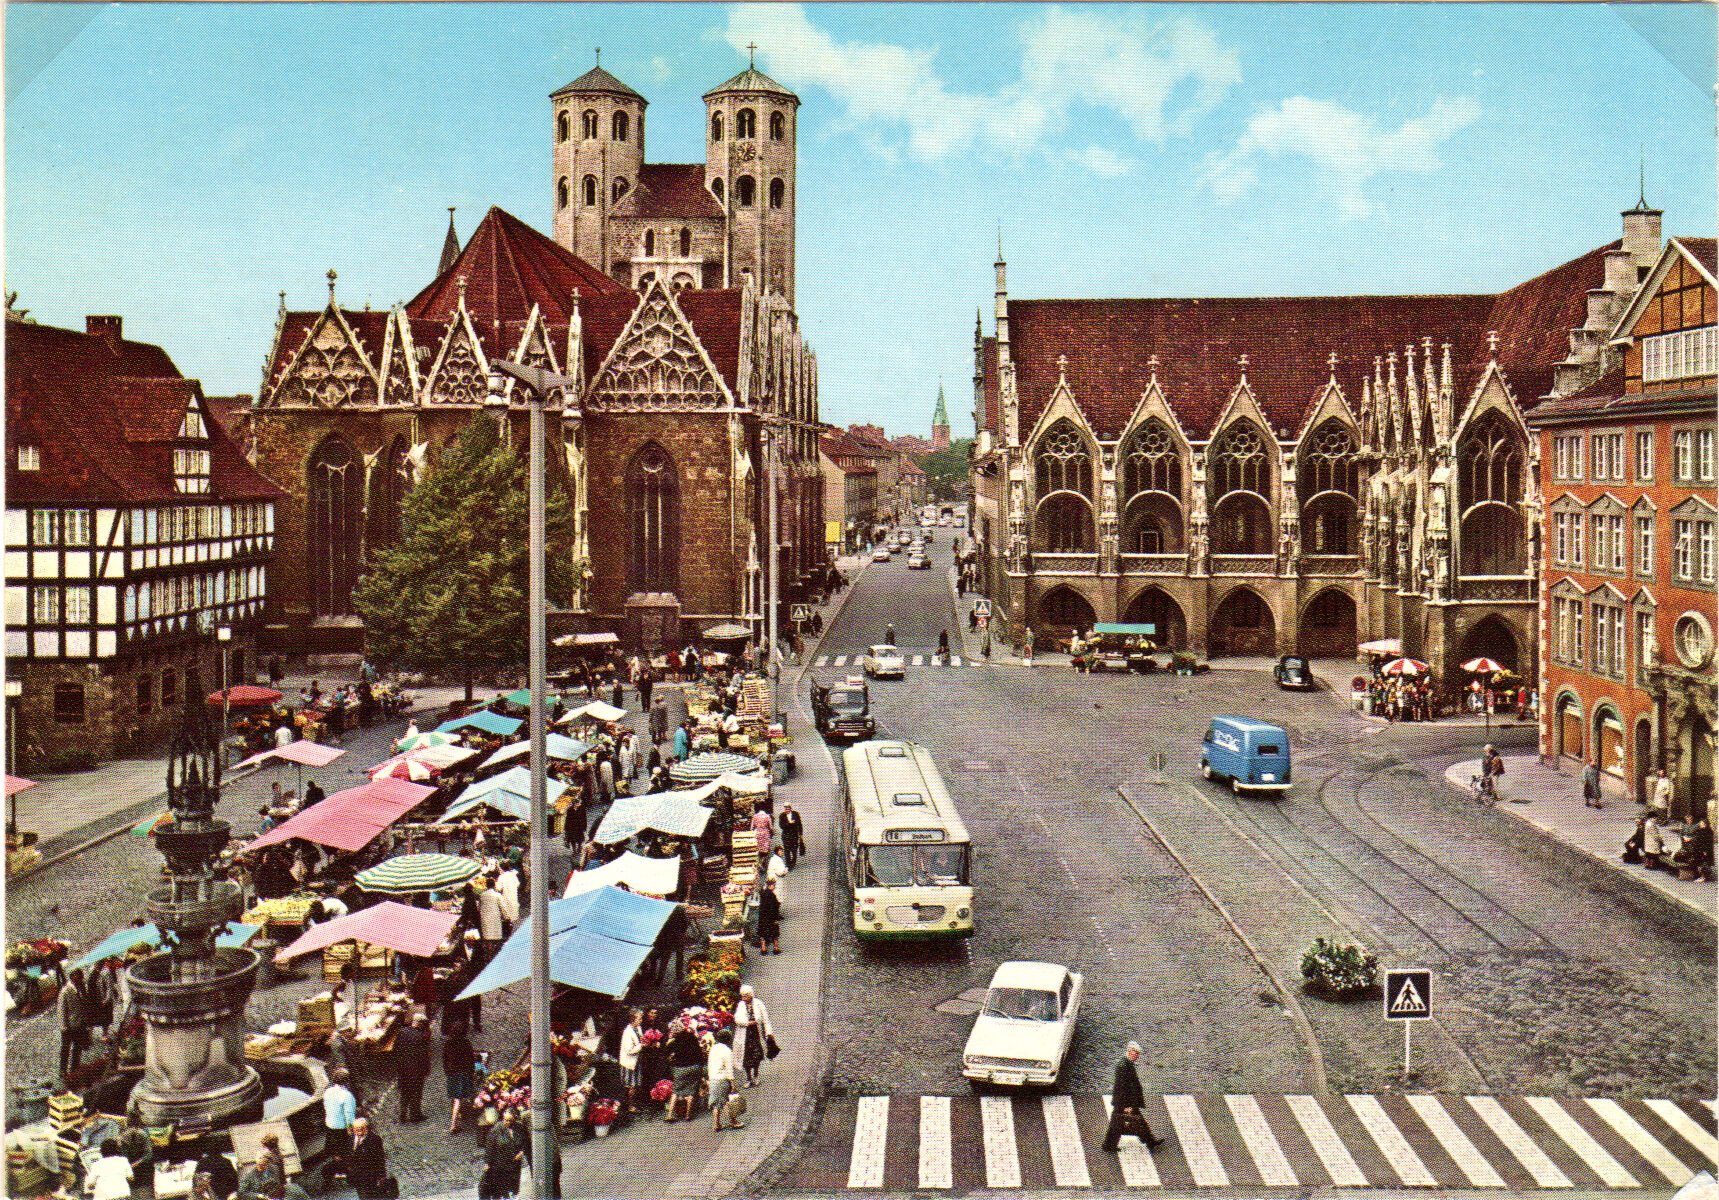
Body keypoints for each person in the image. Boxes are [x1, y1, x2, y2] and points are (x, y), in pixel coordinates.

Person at [1100, 1041, 1162, 1152]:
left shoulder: (1127, 1064)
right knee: (1121, 1122)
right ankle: (1149, 1141)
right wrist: (1125, 1106)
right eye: (1135, 1052)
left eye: (1138, 1053)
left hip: (1126, 1101)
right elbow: (1121, 1087)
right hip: (1125, 1101)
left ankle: (1149, 1141)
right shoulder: (1123, 1066)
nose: (1137, 1055)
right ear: (1129, 1051)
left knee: (1121, 1121)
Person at [393, 1012, 433, 1123]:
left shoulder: (402, 1032)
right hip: (416, 1071)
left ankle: (402, 1115)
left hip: (402, 1069)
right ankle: (415, 1115)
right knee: (416, 1093)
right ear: (420, 1024)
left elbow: (395, 1049)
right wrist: (426, 1070)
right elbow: (424, 1056)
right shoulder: (421, 1037)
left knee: (404, 1092)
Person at [478, 1107, 525, 1200]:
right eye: (504, 1119)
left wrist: (522, 1152)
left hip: (514, 1165)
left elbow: (525, 1142)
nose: (506, 1122)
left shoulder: (519, 1128)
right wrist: (487, 1163)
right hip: (500, 1165)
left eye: (509, 1120)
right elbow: (489, 1148)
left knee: (513, 1189)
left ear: (514, 1120)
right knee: (500, 1191)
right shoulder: (496, 1129)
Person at [733, 984, 774, 1086]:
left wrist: (769, 1033)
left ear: (750, 995)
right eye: (742, 996)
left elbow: (765, 1019)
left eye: (746, 996)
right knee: (746, 1057)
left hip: (756, 1033)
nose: (744, 998)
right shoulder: (741, 1005)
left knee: (756, 1056)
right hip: (745, 1035)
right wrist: (748, 1023)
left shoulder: (759, 1004)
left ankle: (756, 1075)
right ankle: (748, 1078)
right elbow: (737, 1019)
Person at [443, 1020, 478, 1134]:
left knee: (454, 1096)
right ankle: (453, 1124)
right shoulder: (465, 1043)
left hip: (452, 1073)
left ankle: (458, 1113)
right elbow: (470, 1060)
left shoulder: (448, 1044)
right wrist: (471, 1072)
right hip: (462, 1073)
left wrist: (447, 1071)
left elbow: (445, 1059)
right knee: (459, 1098)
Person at [666, 1018, 704, 1122]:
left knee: (676, 1091)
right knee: (691, 1091)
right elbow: (699, 1052)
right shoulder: (692, 1037)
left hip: (680, 1068)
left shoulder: (674, 1042)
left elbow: (667, 1053)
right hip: (694, 1067)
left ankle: (669, 1115)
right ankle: (687, 1115)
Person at [342, 1116, 390, 1200]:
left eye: (361, 1128)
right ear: (353, 1129)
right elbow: (347, 1155)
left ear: (366, 1128)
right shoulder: (350, 1139)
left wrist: (382, 1175)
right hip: (356, 1176)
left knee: (367, 1196)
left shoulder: (374, 1139)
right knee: (361, 1195)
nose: (359, 1131)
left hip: (369, 1176)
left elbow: (379, 1159)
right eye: (356, 1129)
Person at [58, 967, 90, 1080]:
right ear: (72, 978)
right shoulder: (65, 991)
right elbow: (62, 1010)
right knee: (65, 1048)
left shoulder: (81, 988)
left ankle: (74, 1068)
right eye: (78, 978)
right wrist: (63, 1026)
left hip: (80, 1024)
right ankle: (63, 1070)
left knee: (77, 1047)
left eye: (81, 978)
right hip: (69, 1026)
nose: (81, 980)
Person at [708, 1029, 743, 1130]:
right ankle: (733, 1121)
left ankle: (717, 1124)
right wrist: (732, 1083)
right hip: (722, 1079)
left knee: (716, 1104)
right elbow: (729, 1069)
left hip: (713, 1078)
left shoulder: (713, 1048)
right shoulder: (727, 1051)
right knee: (729, 1102)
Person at [322, 1066, 357, 1162]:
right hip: (341, 1127)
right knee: (343, 1150)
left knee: (334, 1147)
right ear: (347, 1081)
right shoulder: (347, 1095)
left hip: (330, 1123)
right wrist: (350, 1128)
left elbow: (326, 1106)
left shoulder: (328, 1091)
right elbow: (349, 1115)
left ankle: (335, 1159)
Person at [619, 1008, 645, 1107]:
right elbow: (629, 1050)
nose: (641, 1020)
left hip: (636, 1061)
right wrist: (642, 1045)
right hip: (629, 1063)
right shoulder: (627, 1032)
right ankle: (630, 1105)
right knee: (631, 1085)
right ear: (633, 1020)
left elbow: (641, 1040)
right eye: (639, 1019)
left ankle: (630, 1102)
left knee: (634, 1084)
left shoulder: (638, 1028)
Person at [757, 878, 783, 955]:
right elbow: (775, 907)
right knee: (775, 933)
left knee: (763, 933)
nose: (775, 887)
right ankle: (776, 948)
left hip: (763, 917)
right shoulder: (772, 895)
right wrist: (776, 918)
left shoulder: (763, 894)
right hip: (771, 917)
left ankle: (763, 948)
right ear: (771, 885)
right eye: (774, 885)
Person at [778, 804, 805, 870]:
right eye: (785, 809)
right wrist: (788, 823)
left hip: (794, 835)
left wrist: (800, 834)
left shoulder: (795, 814)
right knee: (787, 850)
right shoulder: (782, 816)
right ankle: (788, 864)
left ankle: (793, 862)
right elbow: (781, 826)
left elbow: (799, 824)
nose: (787, 810)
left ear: (790, 808)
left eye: (788, 809)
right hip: (786, 835)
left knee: (794, 849)